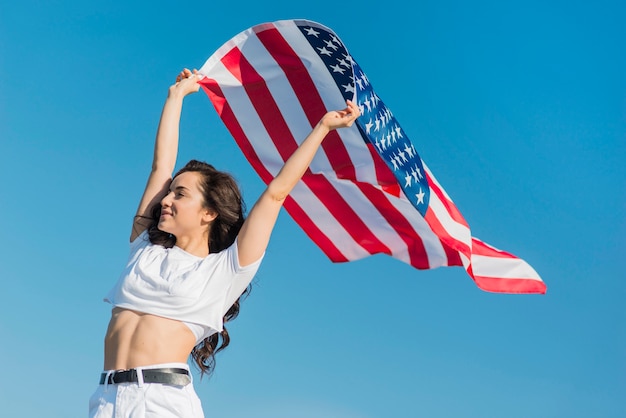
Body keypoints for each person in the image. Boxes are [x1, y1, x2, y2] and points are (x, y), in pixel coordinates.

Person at [89, 68, 360, 418]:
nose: (166, 199)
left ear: (209, 213)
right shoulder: (144, 246)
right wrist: (175, 98)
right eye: (170, 192)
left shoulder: (225, 269)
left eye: (180, 194)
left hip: (161, 403)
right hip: (105, 399)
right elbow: (160, 167)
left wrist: (322, 128)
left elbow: (276, 194)